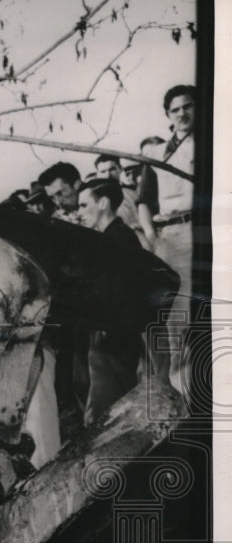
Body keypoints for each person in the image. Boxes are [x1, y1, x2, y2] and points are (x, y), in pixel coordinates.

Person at [73, 178, 145, 425]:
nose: (79, 212)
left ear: (103, 202)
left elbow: (123, 292)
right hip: (109, 335)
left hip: (114, 339)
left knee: (110, 415)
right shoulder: (112, 237)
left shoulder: (119, 238)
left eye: (83, 205)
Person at [141, 86, 195, 395]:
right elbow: (144, 200)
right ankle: (184, 397)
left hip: (206, 232)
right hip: (171, 237)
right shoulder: (157, 154)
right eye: (175, 110)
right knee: (177, 321)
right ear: (168, 116)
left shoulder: (212, 143)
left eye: (188, 107)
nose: (182, 114)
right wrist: (151, 235)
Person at [93, 154, 148, 248]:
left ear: (120, 169)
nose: (108, 175)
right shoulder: (93, 200)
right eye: (103, 171)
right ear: (97, 174)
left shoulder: (133, 194)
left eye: (112, 169)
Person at [134, 136, 167, 248]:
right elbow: (143, 202)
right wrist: (151, 234)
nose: (150, 158)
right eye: (146, 155)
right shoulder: (146, 175)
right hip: (160, 230)